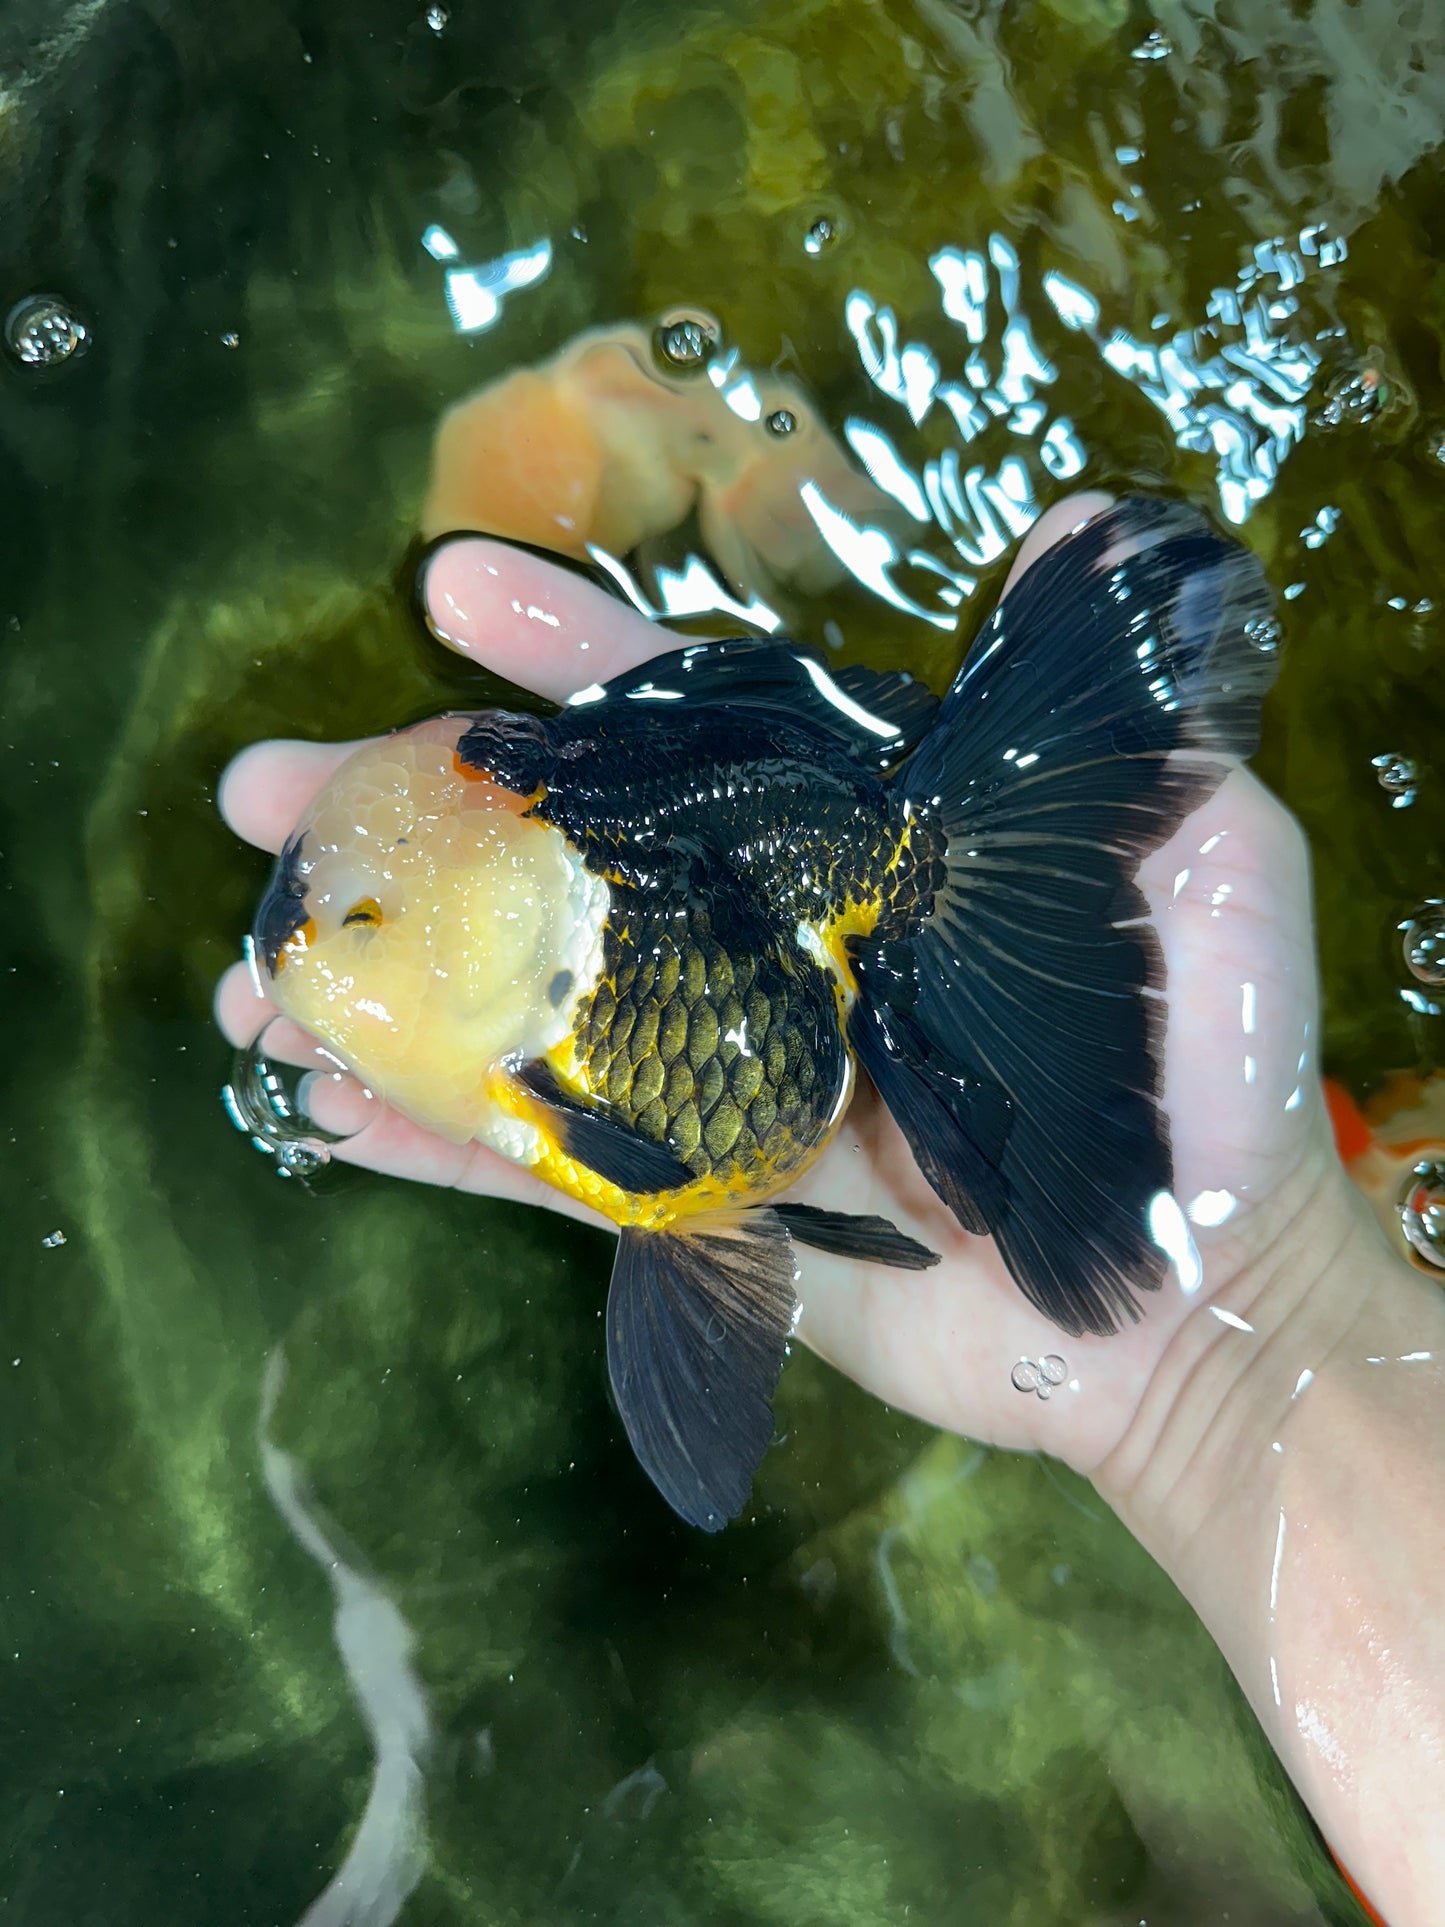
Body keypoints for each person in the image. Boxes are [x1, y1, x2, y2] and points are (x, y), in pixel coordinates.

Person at [214, 493, 1445, 1927]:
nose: (313, 934)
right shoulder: (515, 951)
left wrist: (1240, 1316)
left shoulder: (553, 1021)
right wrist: (1239, 1333)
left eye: (358, 921)